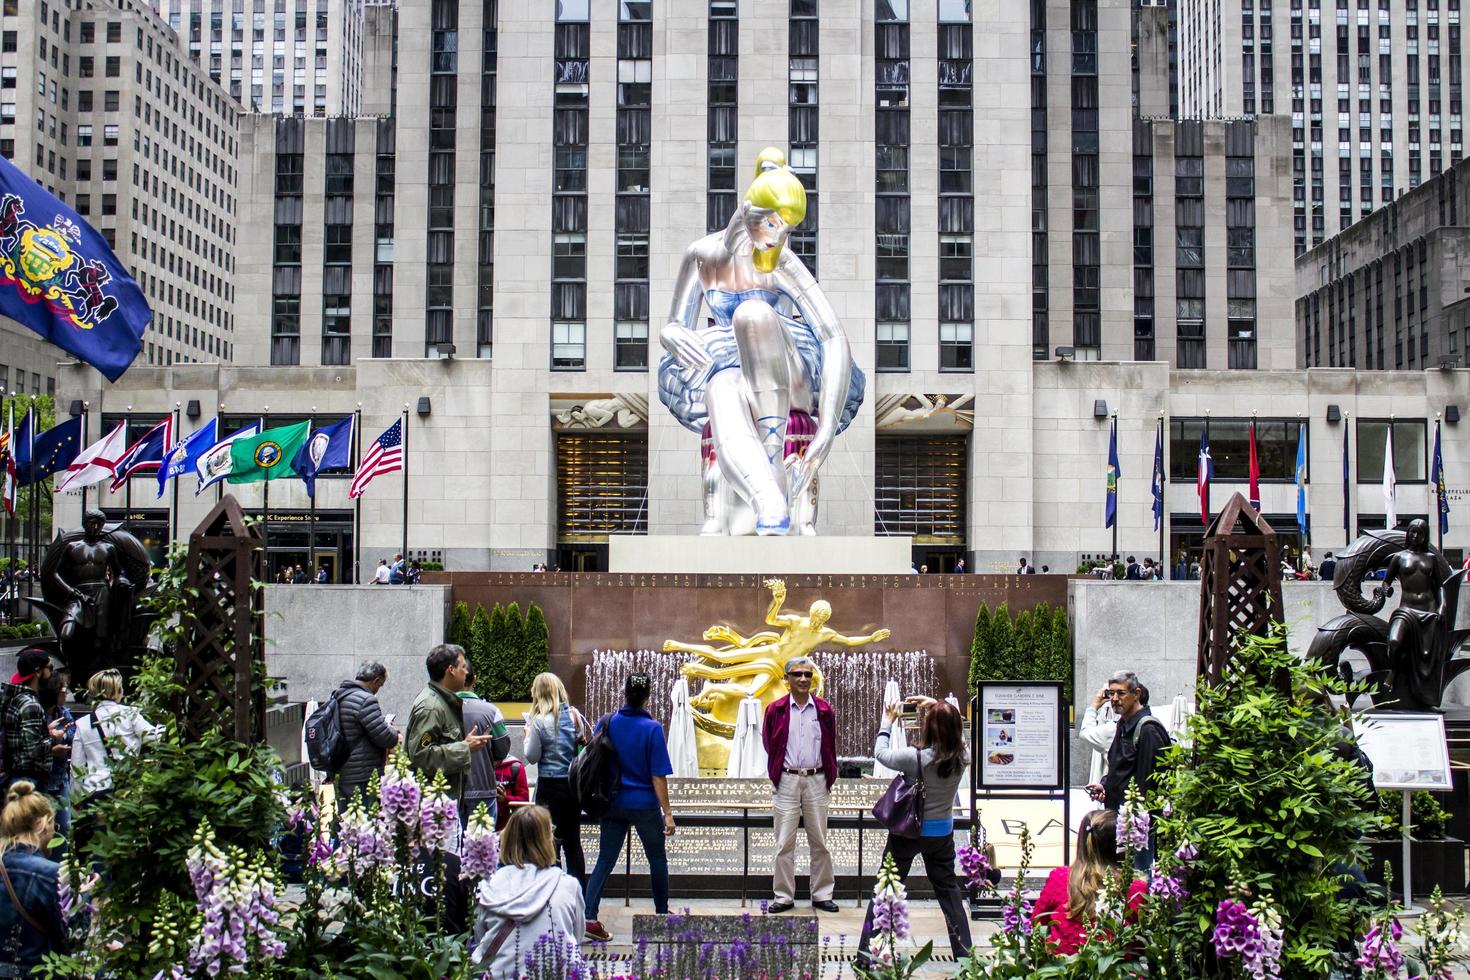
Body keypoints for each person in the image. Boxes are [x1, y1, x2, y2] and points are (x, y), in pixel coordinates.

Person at [857, 697, 972, 962]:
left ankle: (866, 955)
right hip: (941, 835)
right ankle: (965, 955)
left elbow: (881, 754)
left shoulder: (914, 757)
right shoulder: (963, 756)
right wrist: (937, 704)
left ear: (928, 727)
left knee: (887, 889)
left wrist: (887, 722)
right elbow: (961, 729)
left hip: (907, 833)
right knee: (949, 892)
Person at [582, 673, 675, 943]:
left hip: (612, 803)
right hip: (644, 804)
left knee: (605, 860)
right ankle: (660, 914)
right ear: (648, 694)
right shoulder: (652, 729)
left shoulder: (607, 722)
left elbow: (593, 756)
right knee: (657, 858)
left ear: (624, 692)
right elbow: (658, 776)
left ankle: (589, 917)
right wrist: (667, 812)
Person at [761, 655, 838, 914]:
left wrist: (829, 776)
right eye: (798, 674)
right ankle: (783, 896)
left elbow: (830, 744)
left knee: (820, 842)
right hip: (787, 780)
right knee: (784, 843)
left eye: (807, 674)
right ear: (788, 679)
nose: (804, 679)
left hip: (817, 779)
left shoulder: (824, 710)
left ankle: (822, 894)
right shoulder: (775, 709)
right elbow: (769, 744)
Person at [471, 806, 585, 978]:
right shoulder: (568, 886)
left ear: (507, 838)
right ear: (547, 840)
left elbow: (479, 936)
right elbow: (576, 936)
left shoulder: (488, 886)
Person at [1085, 671, 1171, 868]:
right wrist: (1105, 785)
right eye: (1111, 693)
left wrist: (1135, 821)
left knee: (1138, 881)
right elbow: (1119, 766)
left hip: (1137, 827)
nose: (1114, 699)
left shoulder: (1148, 729)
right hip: (1119, 820)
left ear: (1136, 694)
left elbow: (1147, 784)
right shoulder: (1122, 724)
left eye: (1121, 693)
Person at [1031, 810, 1147, 955]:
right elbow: (1141, 943)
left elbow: (1037, 923)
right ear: (1121, 842)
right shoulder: (1136, 889)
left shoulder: (1060, 878)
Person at [522, 672, 590, 884]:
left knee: (547, 842)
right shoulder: (575, 716)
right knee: (573, 843)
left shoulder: (538, 722)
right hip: (571, 787)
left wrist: (527, 736)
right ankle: (578, 894)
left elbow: (532, 757)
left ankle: (551, 889)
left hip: (548, 789)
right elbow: (581, 743)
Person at [405, 644, 493, 804]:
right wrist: (465, 747)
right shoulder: (431, 707)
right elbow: (420, 755)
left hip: (444, 803)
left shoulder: (442, 702)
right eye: (463, 667)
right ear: (451, 670)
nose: (467, 672)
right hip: (433, 808)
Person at [0, 781, 65, 971]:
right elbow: (70, 939)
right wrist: (81, 896)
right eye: (55, 826)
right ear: (42, 824)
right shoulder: (50, 873)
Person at [70, 668, 162, 801]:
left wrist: (76, 798)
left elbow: (76, 767)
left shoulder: (82, 723)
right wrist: (164, 726)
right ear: (118, 690)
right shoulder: (130, 714)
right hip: (127, 789)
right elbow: (155, 739)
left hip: (94, 790)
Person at [0, 651, 67, 797]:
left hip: (17, 777)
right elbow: (33, 749)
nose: (51, 672)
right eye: (50, 667)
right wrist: (55, 737)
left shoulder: (16, 698)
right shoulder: (30, 704)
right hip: (30, 782)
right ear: (38, 671)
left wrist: (44, 731)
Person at [333, 662, 400, 806]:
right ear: (375, 681)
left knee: (347, 821)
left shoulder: (339, 695)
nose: (377, 690)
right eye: (380, 685)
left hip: (343, 772)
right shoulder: (366, 699)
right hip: (362, 775)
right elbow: (384, 737)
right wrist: (396, 734)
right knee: (365, 824)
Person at [457, 666, 511, 827]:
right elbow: (503, 749)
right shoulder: (491, 711)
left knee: (451, 849)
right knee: (482, 847)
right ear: (474, 679)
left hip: (450, 791)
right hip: (483, 788)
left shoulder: (440, 711)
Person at [37, 670, 73, 843]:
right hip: (41, 778)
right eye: (63, 688)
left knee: (64, 826)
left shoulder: (63, 712)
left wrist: (62, 735)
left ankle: (59, 868)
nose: (66, 692)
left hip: (59, 778)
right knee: (40, 827)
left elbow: (72, 730)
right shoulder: (36, 711)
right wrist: (51, 738)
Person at [493, 753, 530, 832]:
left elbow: (524, 800)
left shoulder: (515, 767)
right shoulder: (479, 765)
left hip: (506, 829)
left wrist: (505, 799)